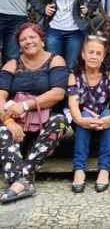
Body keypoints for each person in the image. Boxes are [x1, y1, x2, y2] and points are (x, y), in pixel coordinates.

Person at [0, 22, 68, 203]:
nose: (28, 42)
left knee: (60, 121)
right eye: (23, 39)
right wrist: (9, 122)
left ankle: (20, 178)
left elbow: (58, 93)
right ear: (18, 44)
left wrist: (25, 105)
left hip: (43, 121)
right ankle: (23, 182)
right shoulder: (12, 64)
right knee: (1, 130)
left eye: (32, 37)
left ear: (42, 40)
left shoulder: (55, 60)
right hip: (16, 122)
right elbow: (0, 96)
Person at [68, 34, 110, 193]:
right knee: (84, 114)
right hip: (83, 123)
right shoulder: (74, 76)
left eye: (98, 53)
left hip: (109, 122)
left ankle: (104, 169)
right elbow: (73, 107)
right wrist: (81, 120)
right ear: (83, 54)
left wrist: (109, 119)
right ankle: (79, 170)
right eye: (90, 52)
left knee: (108, 115)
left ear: (104, 56)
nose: (94, 56)